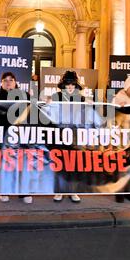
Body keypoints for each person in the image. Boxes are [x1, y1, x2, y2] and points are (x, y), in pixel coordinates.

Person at [0, 72, 33, 204]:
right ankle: (4, 190)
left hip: (21, 135)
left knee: (22, 163)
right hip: (3, 136)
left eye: (11, 80)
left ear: (15, 82)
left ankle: (23, 192)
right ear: (1, 83)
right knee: (5, 163)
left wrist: (46, 101)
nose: (8, 82)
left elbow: (35, 108)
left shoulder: (24, 95)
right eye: (5, 80)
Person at [49, 71, 85, 203]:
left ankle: (72, 191)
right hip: (59, 134)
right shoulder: (56, 96)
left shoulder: (81, 99)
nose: (70, 87)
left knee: (73, 163)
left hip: (75, 135)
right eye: (68, 84)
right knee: (60, 162)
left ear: (76, 86)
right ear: (63, 85)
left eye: (72, 84)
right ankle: (59, 191)